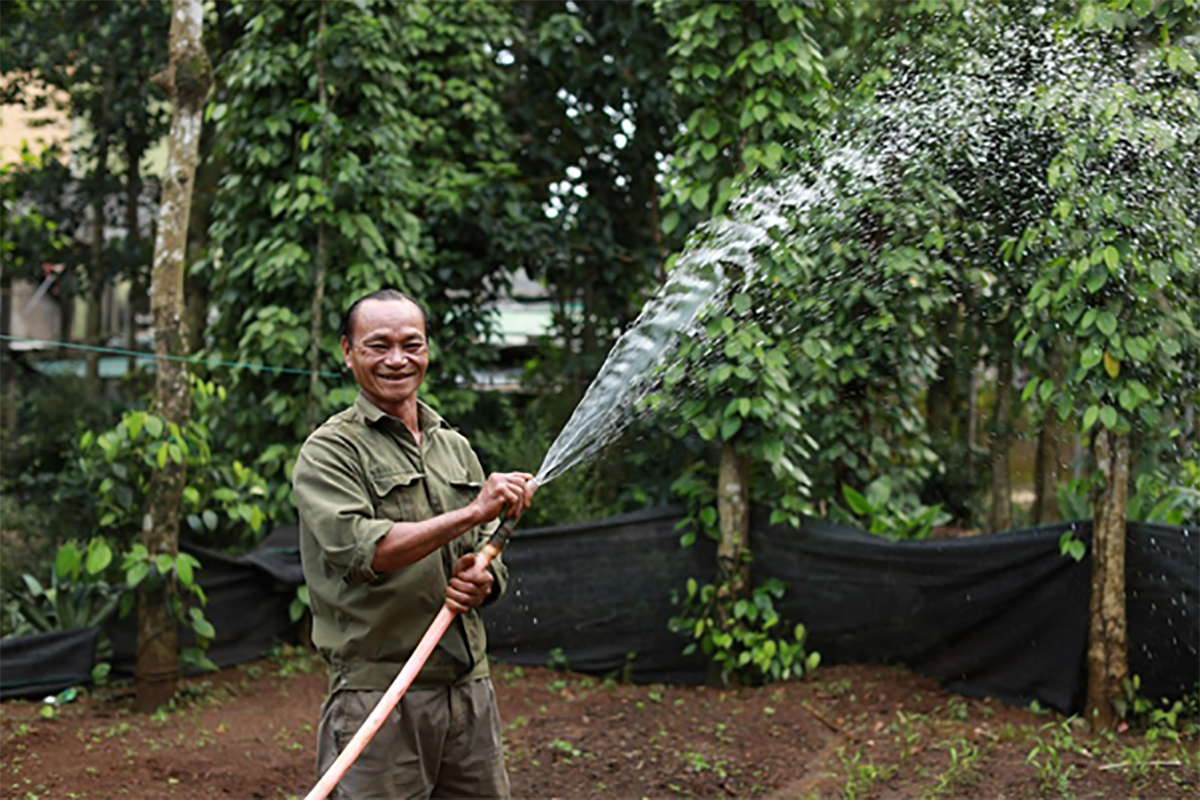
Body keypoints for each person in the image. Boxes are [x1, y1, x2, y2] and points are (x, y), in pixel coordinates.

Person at [294, 287, 536, 799]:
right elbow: (364, 550)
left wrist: (484, 580)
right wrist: (473, 510)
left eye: (412, 344)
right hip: (380, 694)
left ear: (427, 349)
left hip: (468, 691)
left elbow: (484, 551)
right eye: (378, 345)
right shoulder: (330, 451)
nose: (397, 359)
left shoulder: (454, 446)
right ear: (347, 351)